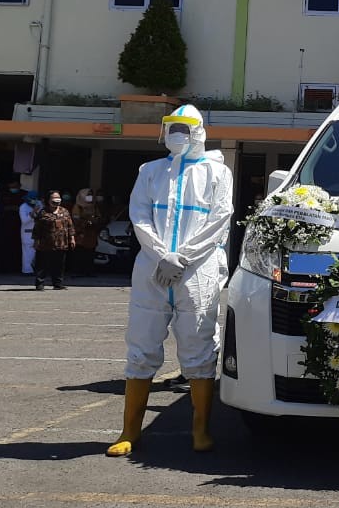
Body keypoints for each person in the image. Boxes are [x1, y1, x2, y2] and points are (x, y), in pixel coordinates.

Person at [107, 104, 234, 458]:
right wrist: (162, 254)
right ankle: (129, 430)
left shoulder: (217, 173)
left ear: (198, 131)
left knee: (199, 344)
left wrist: (184, 256)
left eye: (182, 127)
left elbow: (220, 219)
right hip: (152, 267)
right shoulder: (149, 171)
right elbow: (139, 214)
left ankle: (200, 428)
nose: (175, 134)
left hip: (198, 271)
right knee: (141, 343)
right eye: (171, 127)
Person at [32, 190, 75, 290]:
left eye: (58, 198)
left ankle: (58, 284)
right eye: (54, 198)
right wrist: (36, 241)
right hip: (45, 243)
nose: (57, 200)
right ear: (48, 200)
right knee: (42, 264)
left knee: (59, 264)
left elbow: (70, 226)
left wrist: (72, 238)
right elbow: (37, 228)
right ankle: (40, 284)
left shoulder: (64, 211)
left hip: (61, 243)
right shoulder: (43, 212)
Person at [71, 188, 106, 276]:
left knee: (90, 253)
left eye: (91, 194)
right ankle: (78, 271)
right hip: (81, 233)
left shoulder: (94, 206)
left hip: (91, 234)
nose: (90, 197)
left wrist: (94, 220)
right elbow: (76, 219)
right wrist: (86, 220)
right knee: (80, 253)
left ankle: (89, 271)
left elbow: (98, 217)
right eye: (88, 195)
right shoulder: (77, 206)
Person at [18, 191, 40, 275]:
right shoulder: (23, 207)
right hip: (27, 233)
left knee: (35, 252)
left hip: (37, 231)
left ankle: (34, 269)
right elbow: (24, 221)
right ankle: (27, 271)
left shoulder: (39, 204)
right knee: (28, 252)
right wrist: (33, 212)